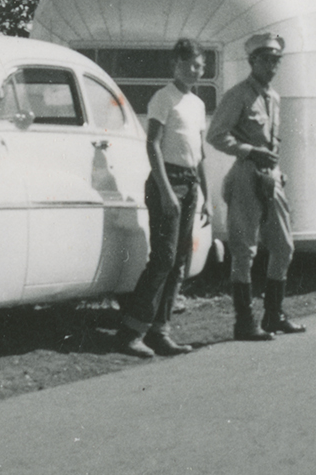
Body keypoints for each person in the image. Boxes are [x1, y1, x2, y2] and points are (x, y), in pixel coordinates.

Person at [207, 32, 306, 339]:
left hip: (270, 176)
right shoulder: (239, 95)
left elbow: (272, 141)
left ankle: (274, 315)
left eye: (276, 60)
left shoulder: (273, 98)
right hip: (246, 175)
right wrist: (250, 151)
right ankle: (244, 322)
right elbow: (216, 135)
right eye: (265, 60)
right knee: (244, 249)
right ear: (252, 62)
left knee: (284, 246)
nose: (271, 66)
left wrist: (276, 169)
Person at [117, 38, 209, 358]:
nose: (196, 71)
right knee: (163, 259)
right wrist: (167, 191)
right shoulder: (163, 98)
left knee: (179, 261)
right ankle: (131, 331)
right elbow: (152, 145)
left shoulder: (197, 104)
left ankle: (160, 331)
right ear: (176, 65)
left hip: (190, 183)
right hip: (166, 183)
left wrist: (206, 196)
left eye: (200, 66)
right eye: (191, 65)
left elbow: (199, 155)